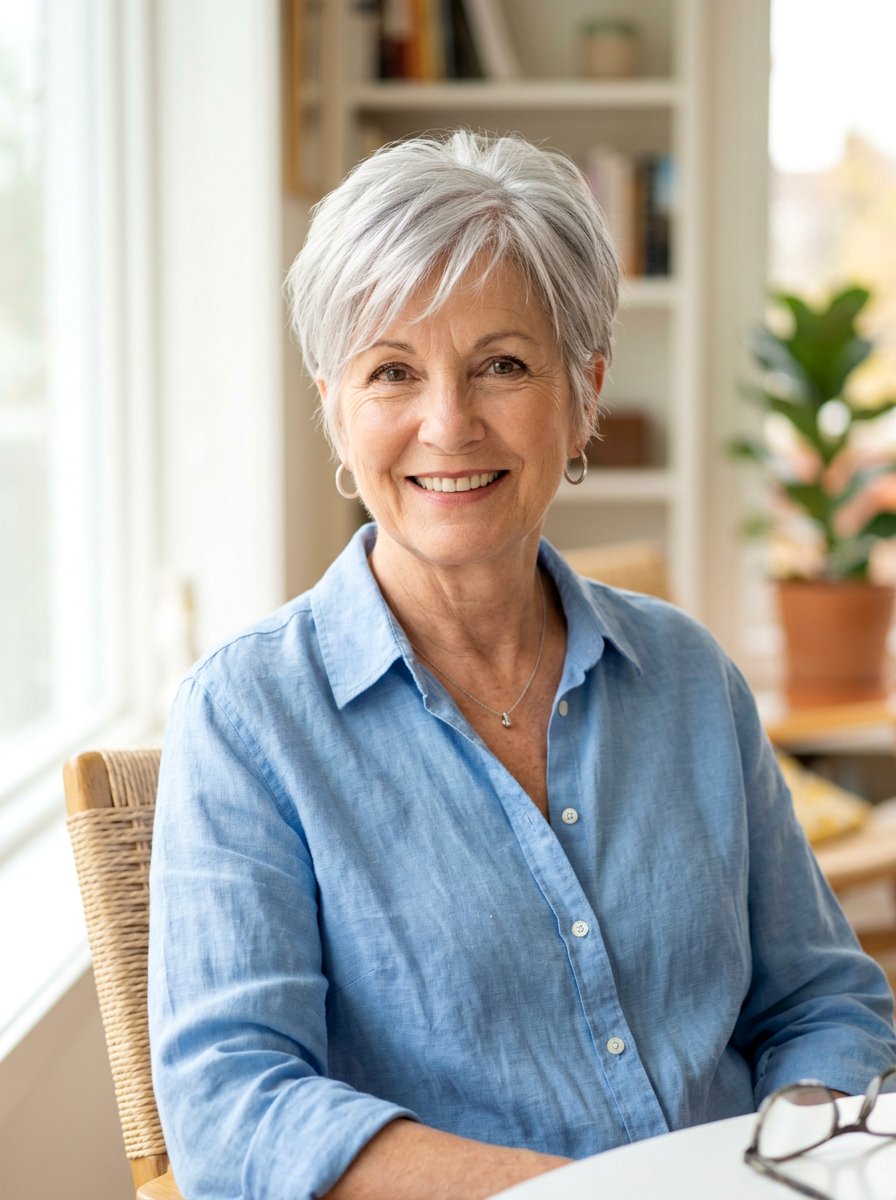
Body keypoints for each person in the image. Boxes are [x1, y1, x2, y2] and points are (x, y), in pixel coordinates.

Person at [148, 130, 896, 1200]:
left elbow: (820, 1002)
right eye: (391, 372)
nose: (447, 425)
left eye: (501, 365)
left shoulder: (688, 677)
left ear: (583, 391)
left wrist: (782, 1176)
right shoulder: (246, 718)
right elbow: (234, 1107)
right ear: (333, 406)